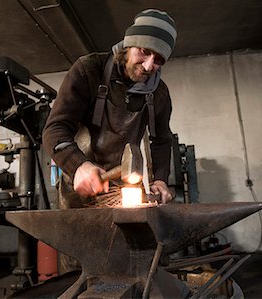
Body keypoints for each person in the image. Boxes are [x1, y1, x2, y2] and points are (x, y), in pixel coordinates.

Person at [43, 8, 177, 208]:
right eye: (145, 52)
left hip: (125, 189)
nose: (148, 66)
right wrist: (78, 165)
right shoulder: (89, 71)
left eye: (158, 60)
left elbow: (162, 141)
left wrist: (160, 179)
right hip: (79, 184)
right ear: (129, 43)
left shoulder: (159, 93)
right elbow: (55, 129)